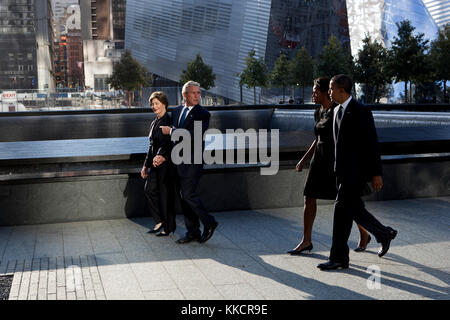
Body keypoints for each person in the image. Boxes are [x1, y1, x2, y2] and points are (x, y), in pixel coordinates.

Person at [317, 74, 398, 271]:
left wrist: (376, 174)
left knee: (340, 212)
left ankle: (337, 258)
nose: (329, 92)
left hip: (356, 173)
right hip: (341, 172)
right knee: (352, 211)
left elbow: (371, 144)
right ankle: (384, 234)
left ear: (342, 90)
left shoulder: (361, 112)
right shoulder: (335, 110)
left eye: (331, 88)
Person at [287, 78, 371, 255]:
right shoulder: (318, 112)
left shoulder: (337, 110)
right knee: (309, 197)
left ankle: (364, 234)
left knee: (347, 202)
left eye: (316, 91)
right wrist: (304, 159)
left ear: (326, 92)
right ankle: (306, 240)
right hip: (319, 160)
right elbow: (317, 139)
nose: (313, 94)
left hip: (334, 162)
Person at [160, 81, 218, 244]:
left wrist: (171, 131)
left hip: (193, 161)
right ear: (185, 95)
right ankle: (192, 232)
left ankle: (210, 222)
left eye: (199, 93)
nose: (197, 96)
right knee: (183, 197)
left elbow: (194, 135)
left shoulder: (203, 113)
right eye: (193, 93)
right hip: (177, 161)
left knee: (188, 194)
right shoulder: (177, 111)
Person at [141, 91, 176, 236]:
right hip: (155, 164)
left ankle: (168, 227)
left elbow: (170, 142)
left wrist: (162, 155)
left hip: (166, 164)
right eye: (152, 104)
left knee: (165, 196)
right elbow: (151, 146)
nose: (154, 107)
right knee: (149, 190)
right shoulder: (154, 122)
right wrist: (145, 165)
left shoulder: (169, 121)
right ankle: (160, 220)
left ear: (164, 104)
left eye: (157, 103)